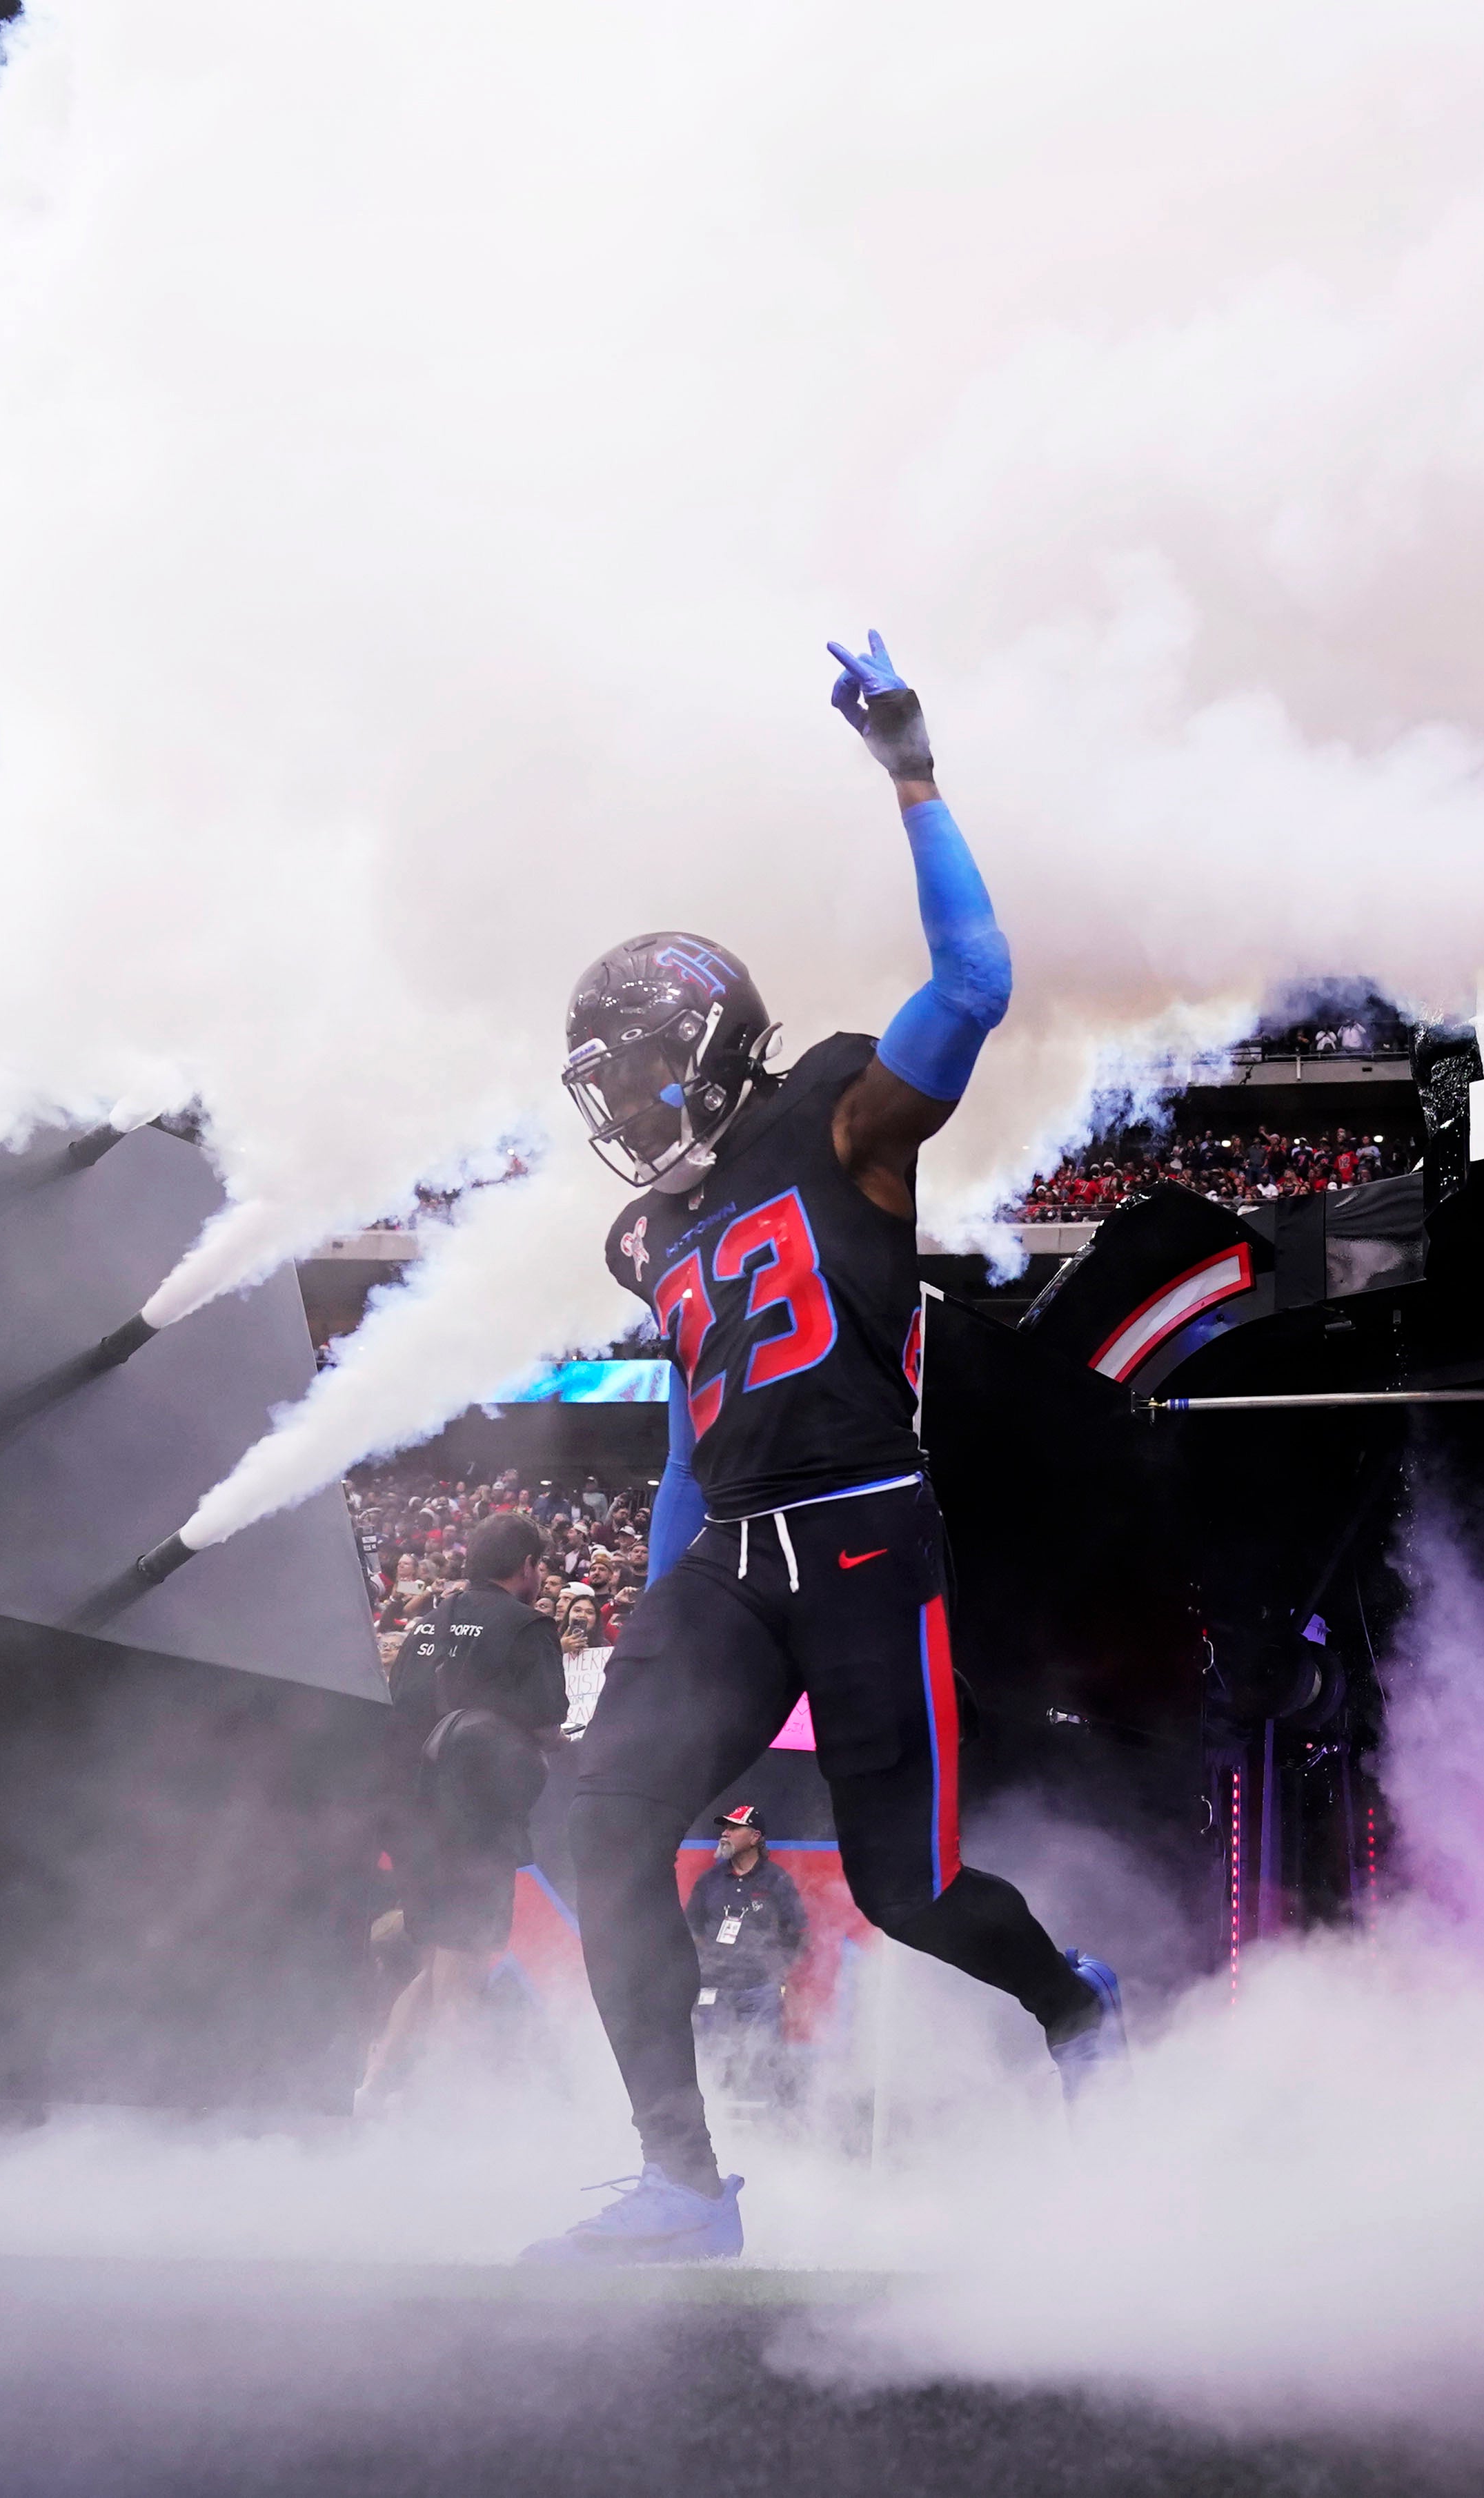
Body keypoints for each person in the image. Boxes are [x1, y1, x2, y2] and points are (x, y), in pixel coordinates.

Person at [538, 629, 1121, 2268]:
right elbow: (687, 1428)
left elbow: (977, 988)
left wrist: (911, 771)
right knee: (600, 1823)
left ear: (706, 1044)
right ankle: (679, 2186)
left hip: (867, 1541)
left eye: (640, 1065)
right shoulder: (652, 1223)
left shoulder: (840, 1111)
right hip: (731, 1559)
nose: (626, 1102)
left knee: (907, 1894)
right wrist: (662, 1610)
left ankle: (1076, 2004)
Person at [358, 1512, 571, 2113]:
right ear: (527, 1565)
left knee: (436, 1964)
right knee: (464, 1970)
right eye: (539, 1565)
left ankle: (371, 2093)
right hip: (474, 1822)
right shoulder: (528, 1626)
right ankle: (451, 2117)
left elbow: (398, 1708)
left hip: (411, 1819)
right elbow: (548, 1722)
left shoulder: (426, 1624)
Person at [686, 1803, 809, 2111]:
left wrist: (776, 1972)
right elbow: (692, 1929)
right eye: (724, 1828)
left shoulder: (776, 1881)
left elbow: (795, 1930)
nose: (724, 1833)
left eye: (733, 1828)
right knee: (710, 2057)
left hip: (760, 1990)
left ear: (755, 1837)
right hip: (715, 1987)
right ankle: (714, 2121)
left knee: (764, 2059)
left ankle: (767, 2130)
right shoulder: (709, 1881)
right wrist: (710, 1964)